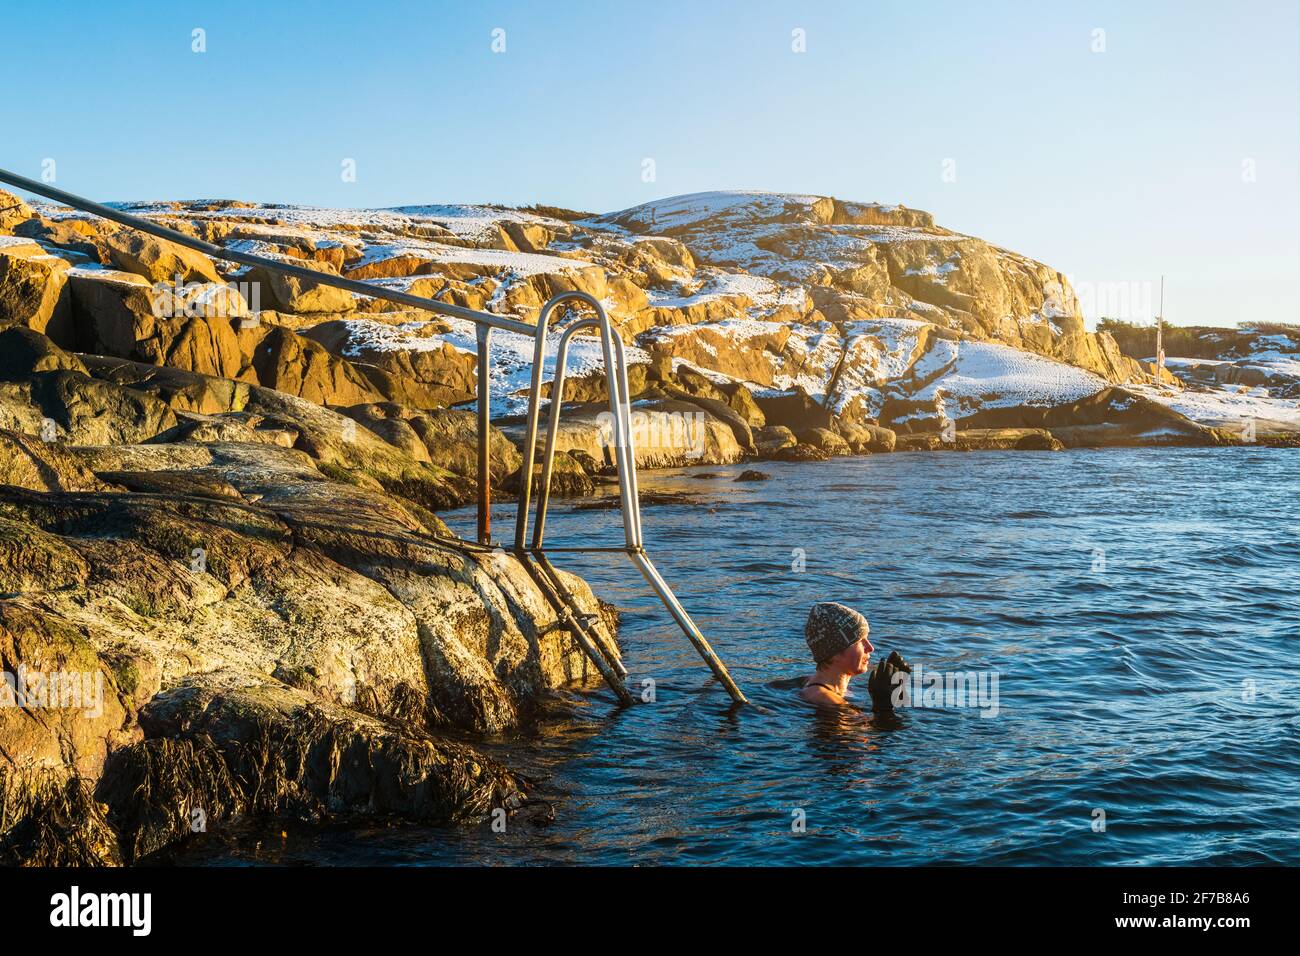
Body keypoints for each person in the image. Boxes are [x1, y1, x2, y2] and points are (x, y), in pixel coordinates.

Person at [799, 602, 910, 712]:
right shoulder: (825, 698)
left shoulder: (813, 683)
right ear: (835, 653)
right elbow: (866, 728)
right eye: (860, 641)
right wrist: (883, 705)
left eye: (867, 638)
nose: (870, 648)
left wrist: (895, 690)